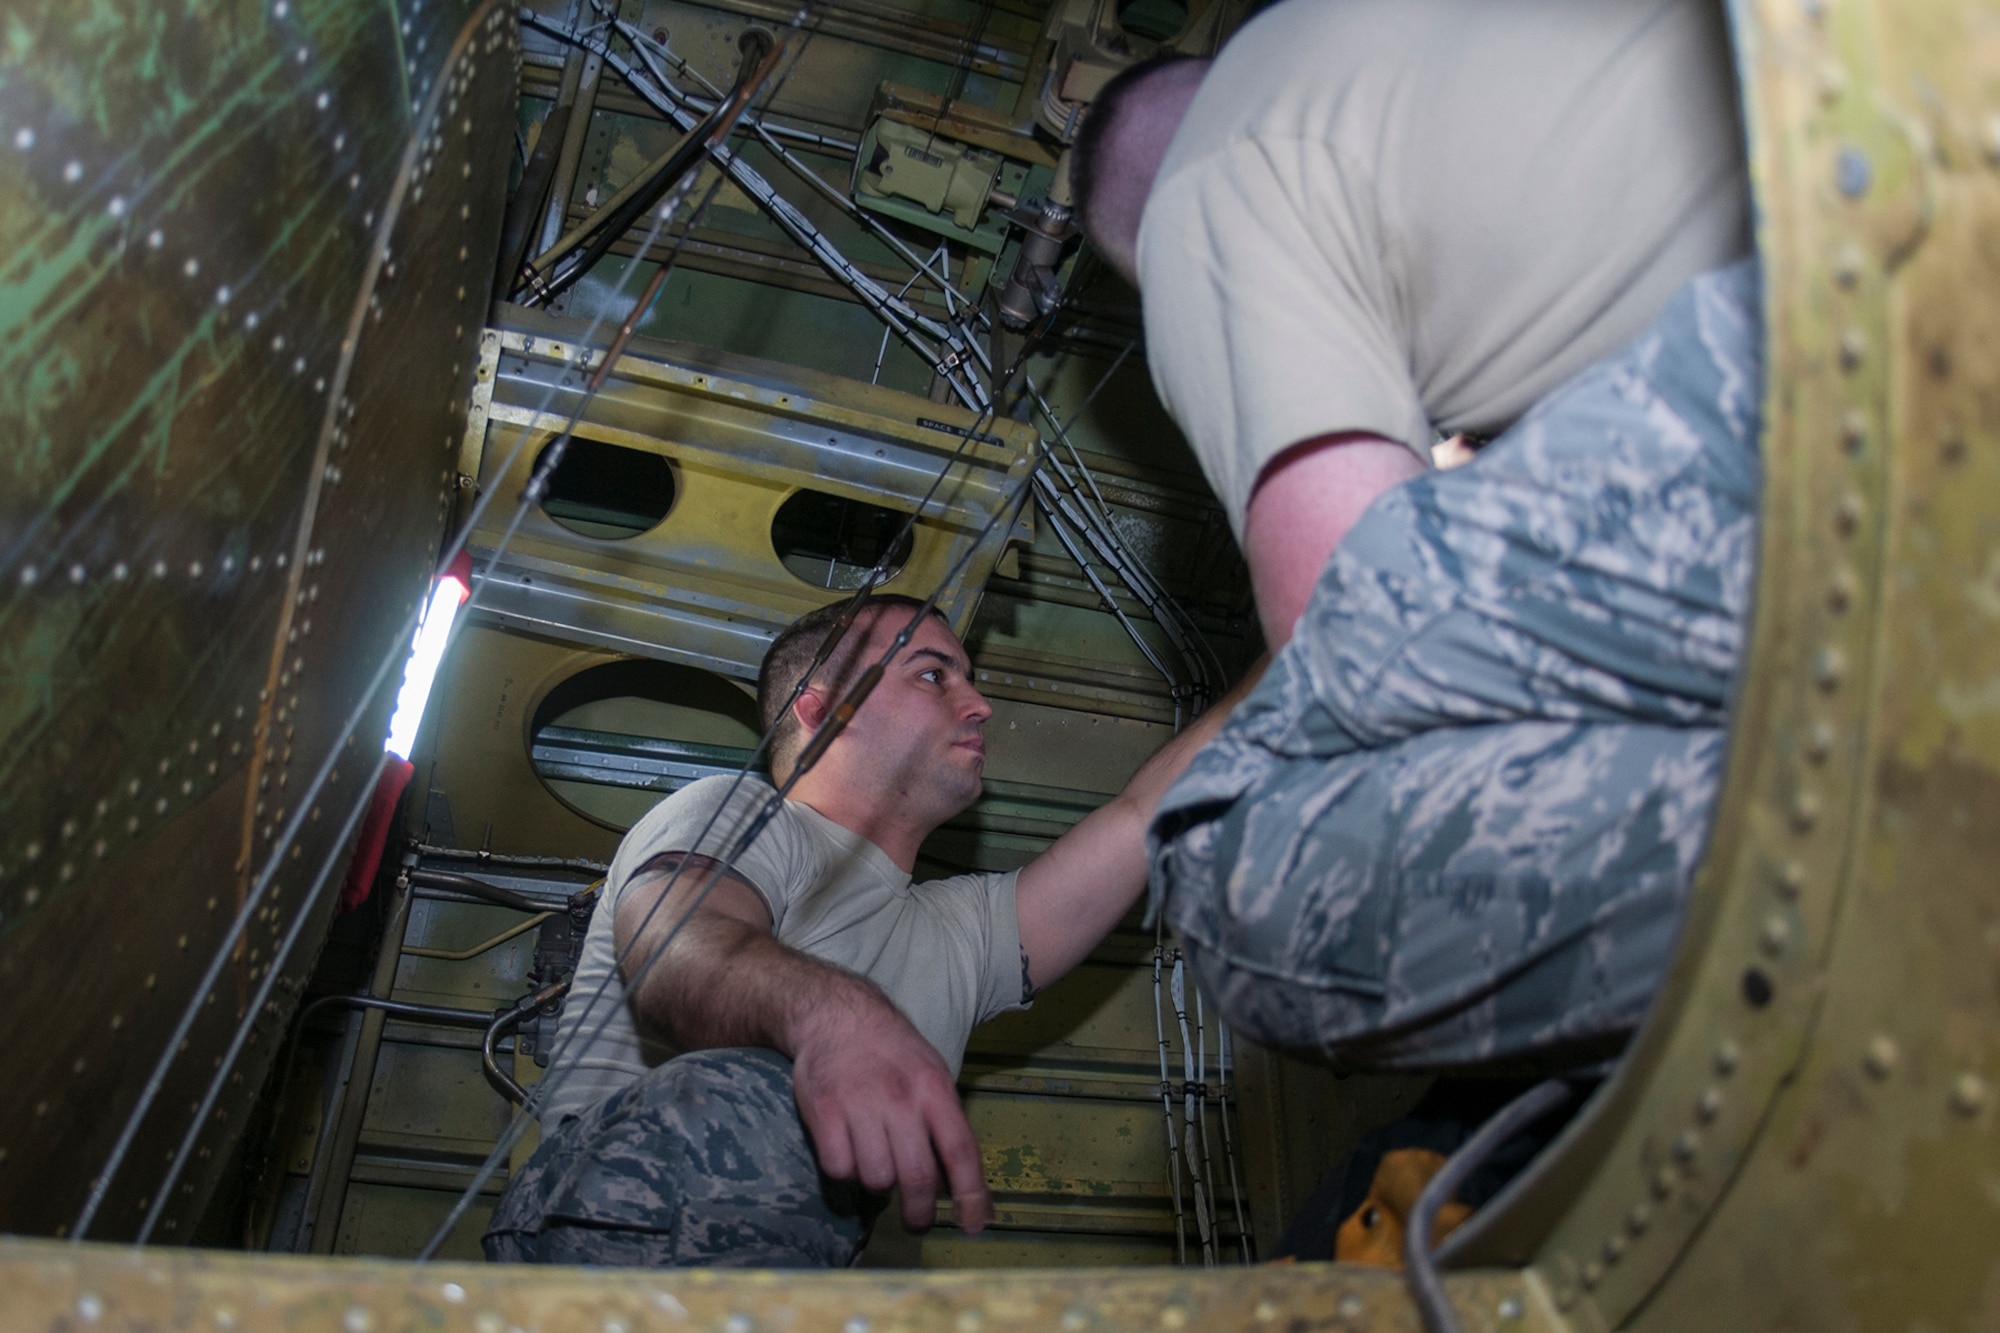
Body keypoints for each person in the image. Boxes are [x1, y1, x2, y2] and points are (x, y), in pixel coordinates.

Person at [1070, 0, 1760, 1070]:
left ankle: (1857, 857)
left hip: (1787, 379)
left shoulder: (1200, 187)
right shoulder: (1379, 49)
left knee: (1230, 872)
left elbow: (1349, 628)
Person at [484, 594, 1258, 1266]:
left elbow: (1144, 812)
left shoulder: (962, 935)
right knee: (767, 1094)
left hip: (808, 1286)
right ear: (820, 712)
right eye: (933, 674)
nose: (979, 702)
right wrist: (834, 1016)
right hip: (608, 1244)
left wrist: (1305, 653)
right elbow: (674, 942)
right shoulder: (741, 813)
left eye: (969, 677)